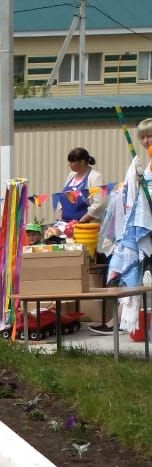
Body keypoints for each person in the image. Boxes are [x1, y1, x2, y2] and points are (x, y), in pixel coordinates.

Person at [92, 118, 152, 335]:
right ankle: (116, 321)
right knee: (126, 271)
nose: (146, 141)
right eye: (143, 137)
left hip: (146, 229)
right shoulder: (146, 162)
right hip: (138, 228)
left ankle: (116, 322)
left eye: (149, 136)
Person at [54, 147, 106, 228]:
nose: (69, 165)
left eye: (72, 162)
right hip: (66, 225)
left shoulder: (96, 177)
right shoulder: (71, 175)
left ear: (82, 162)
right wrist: (60, 215)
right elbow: (64, 195)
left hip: (85, 226)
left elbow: (100, 203)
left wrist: (84, 219)